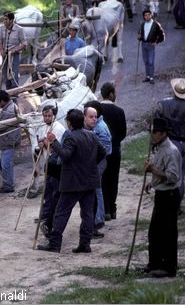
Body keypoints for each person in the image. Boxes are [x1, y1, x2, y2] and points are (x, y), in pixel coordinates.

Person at [37, 109, 106, 253]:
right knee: (87, 214)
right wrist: (91, 165)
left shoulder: (70, 136)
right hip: (89, 181)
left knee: (61, 212)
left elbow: (65, 155)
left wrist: (54, 141)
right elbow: (103, 152)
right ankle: (85, 244)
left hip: (73, 182)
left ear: (69, 123)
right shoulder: (91, 135)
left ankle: (55, 244)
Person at [142, 117, 181, 278]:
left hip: (169, 196)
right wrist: (152, 182)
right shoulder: (159, 147)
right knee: (155, 232)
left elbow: (172, 176)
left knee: (168, 232)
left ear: (163, 134)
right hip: (161, 194)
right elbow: (161, 170)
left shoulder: (171, 150)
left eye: (155, 133)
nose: (152, 136)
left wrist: (152, 171)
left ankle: (168, 267)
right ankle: (155, 264)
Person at [154, 78, 185, 210]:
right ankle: (176, 206)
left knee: (163, 172)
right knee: (179, 177)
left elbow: (156, 121)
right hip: (183, 144)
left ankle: (166, 204)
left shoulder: (163, 104)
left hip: (167, 142)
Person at [36, 105, 66, 237]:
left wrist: (46, 143)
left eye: (49, 115)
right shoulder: (44, 126)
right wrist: (41, 143)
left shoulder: (59, 128)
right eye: (45, 115)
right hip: (47, 161)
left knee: (53, 190)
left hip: (55, 164)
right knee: (47, 190)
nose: (47, 118)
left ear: (54, 115)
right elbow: (41, 140)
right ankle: (45, 214)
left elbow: (57, 146)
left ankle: (49, 217)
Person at [83, 104, 112, 238]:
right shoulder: (92, 128)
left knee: (96, 191)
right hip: (94, 164)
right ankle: (95, 220)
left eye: (95, 116)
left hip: (98, 164)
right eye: (91, 117)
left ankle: (97, 220)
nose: (94, 119)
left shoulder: (100, 128)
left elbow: (106, 149)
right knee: (95, 191)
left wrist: (93, 160)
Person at [99, 82, 127, 221]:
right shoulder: (119, 111)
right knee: (113, 179)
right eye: (114, 92)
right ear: (110, 94)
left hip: (100, 152)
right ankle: (113, 208)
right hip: (115, 150)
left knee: (103, 179)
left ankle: (105, 209)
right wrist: (114, 142)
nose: (115, 95)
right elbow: (123, 133)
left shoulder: (97, 110)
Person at [0, 11, 27, 90]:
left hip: (14, 56)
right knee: (5, 75)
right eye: (3, 19)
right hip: (5, 55)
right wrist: (1, 51)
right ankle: (8, 92)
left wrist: (14, 50)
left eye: (6, 19)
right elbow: (0, 42)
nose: (4, 21)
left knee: (14, 74)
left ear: (11, 20)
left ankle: (14, 95)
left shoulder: (19, 30)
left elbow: (24, 44)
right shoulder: (2, 29)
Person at [137, 9, 165, 85]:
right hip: (143, 44)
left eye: (148, 15)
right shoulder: (142, 24)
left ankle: (152, 77)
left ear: (151, 15)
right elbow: (139, 34)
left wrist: (157, 42)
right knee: (146, 61)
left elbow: (162, 35)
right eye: (145, 15)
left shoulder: (156, 24)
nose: (147, 16)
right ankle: (147, 76)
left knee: (151, 61)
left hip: (151, 45)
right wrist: (139, 37)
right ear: (144, 17)